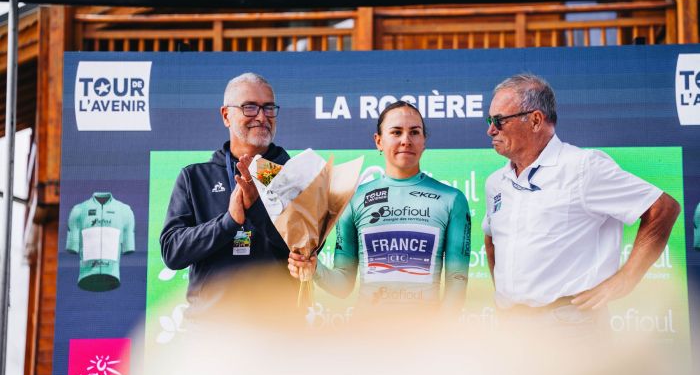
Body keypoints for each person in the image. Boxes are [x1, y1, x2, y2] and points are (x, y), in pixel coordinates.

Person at [482, 74, 680, 331]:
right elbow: (492, 239)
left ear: (535, 120)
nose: (491, 130)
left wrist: (627, 278)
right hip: (510, 326)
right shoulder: (495, 182)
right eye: (489, 120)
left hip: (569, 325)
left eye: (499, 120)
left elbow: (662, 208)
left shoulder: (583, 167)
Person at [288, 101, 471, 316]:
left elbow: (457, 281)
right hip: (368, 332)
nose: (406, 140)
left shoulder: (451, 199)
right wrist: (313, 268)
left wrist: (439, 332)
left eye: (414, 132)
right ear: (378, 141)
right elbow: (342, 285)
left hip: (426, 332)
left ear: (424, 141)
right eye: (396, 132)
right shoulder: (354, 199)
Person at [160, 72, 291, 318]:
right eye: (249, 107)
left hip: (278, 329)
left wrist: (256, 209)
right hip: (212, 330)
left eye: (268, 108)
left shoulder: (295, 175)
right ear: (226, 115)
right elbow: (172, 252)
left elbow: (305, 250)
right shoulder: (194, 177)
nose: (261, 116)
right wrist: (228, 222)